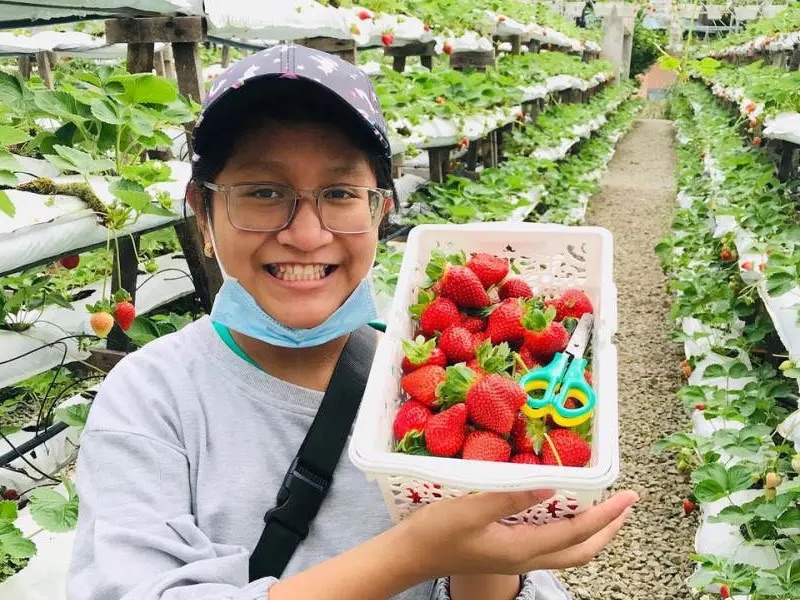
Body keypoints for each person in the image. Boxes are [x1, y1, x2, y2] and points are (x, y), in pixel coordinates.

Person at [66, 44, 638, 600]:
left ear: (380, 213)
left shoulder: (426, 382)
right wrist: (409, 556)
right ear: (203, 211)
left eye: (339, 193)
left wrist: (487, 555)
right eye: (263, 192)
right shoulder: (151, 399)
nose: (307, 234)